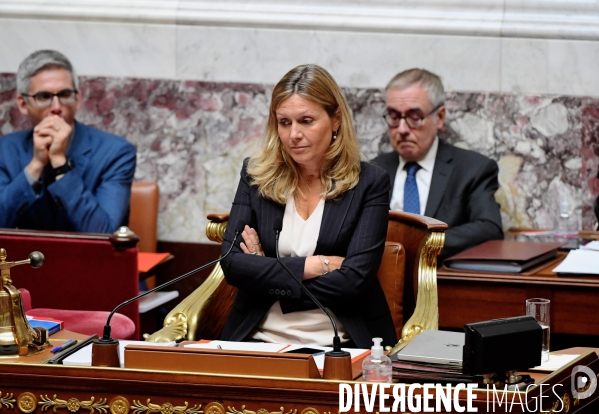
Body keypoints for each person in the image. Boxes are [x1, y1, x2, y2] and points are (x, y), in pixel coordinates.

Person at [219, 64, 396, 348]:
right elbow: (232, 264)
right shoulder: (255, 175)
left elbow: (354, 282)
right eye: (285, 122)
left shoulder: (369, 182)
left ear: (335, 120)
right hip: (257, 338)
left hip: (340, 342)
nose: (294, 135)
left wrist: (266, 270)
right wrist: (316, 265)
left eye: (306, 121)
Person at [371, 68, 503, 260]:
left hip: (442, 281)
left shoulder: (472, 169)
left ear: (439, 117)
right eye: (394, 116)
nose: (402, 129)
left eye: (414, 117)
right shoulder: (373, 170)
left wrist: (423, 244)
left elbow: (489, 227)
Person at [0, 50, 136, 233]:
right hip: (25, 260)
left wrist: (60, 164)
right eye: (44, 97)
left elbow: (103, 234)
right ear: (23, 104)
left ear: (78, 99)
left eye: (64, 95)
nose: (56, 108)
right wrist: (36, 165)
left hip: (88, 260)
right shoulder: (5, 150)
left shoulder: (116, 152)